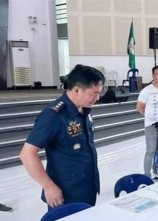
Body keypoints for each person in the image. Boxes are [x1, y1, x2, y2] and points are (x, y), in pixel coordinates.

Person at [20, 64, 105, 209]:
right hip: (66, 193)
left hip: (87, 187)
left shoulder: (84, 110)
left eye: (99, 93)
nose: (97, 98)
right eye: (93, 93)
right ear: (77, 90)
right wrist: (48, 186)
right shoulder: (53, 116)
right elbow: (27, 154)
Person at [136, 65, 158, 179]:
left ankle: (156, 172)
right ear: (153, 76)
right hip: (151, 125)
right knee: (150, 151)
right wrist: (150, 117)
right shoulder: (147, 90)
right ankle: (147, 175)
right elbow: (140, 107)